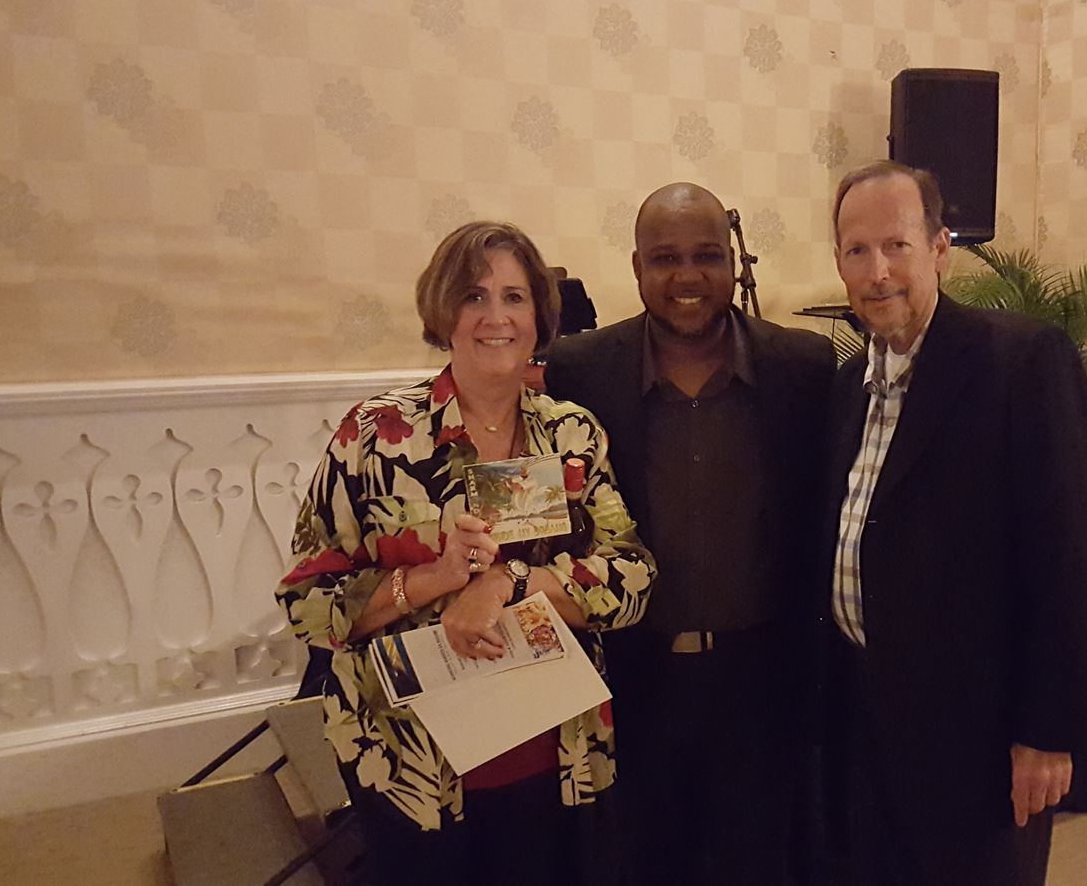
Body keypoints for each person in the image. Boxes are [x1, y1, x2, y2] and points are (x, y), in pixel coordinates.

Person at [276, 221, 655, 886]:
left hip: (552, 751)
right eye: (473, 296)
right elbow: (306, 602)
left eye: (514, 297)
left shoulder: (572, 435)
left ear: (539, 316)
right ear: (442, 311)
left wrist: (507, 580)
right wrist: (435, 579)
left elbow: (631, 579)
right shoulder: (376, 438)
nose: (495, 317)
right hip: (412, 761)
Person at [824, 161, 1087, 886]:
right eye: (857, 250)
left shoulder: (1021, 362)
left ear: (940, 247)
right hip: (868, 723)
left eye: (897, 245)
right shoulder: (847, 387)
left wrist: (1048, 732)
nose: (877, 271)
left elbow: (1069, 561)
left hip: (978, 735)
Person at [543, 182, 834, 885]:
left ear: (733, 261)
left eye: (707, 255)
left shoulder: (805, 367)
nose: (688, 276)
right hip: (635, 678)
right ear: (636, 266)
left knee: (766, 863)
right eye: (666, 258)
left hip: (767, 679)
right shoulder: (581, 370)